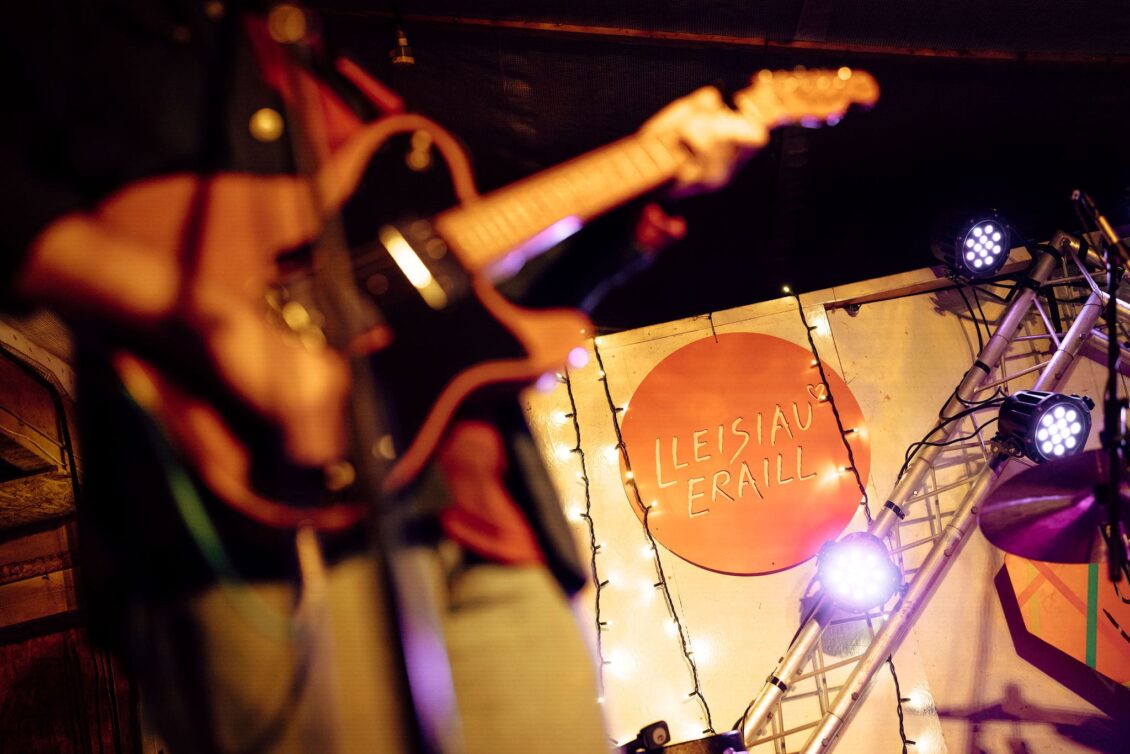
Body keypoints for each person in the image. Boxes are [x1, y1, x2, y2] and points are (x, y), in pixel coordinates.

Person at [2, 2, 766, 751]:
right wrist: (217, 322)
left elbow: (484, 315)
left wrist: (649, 177)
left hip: (485, 515)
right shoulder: (78, 30)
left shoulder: (317, 62)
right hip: (267, 525)